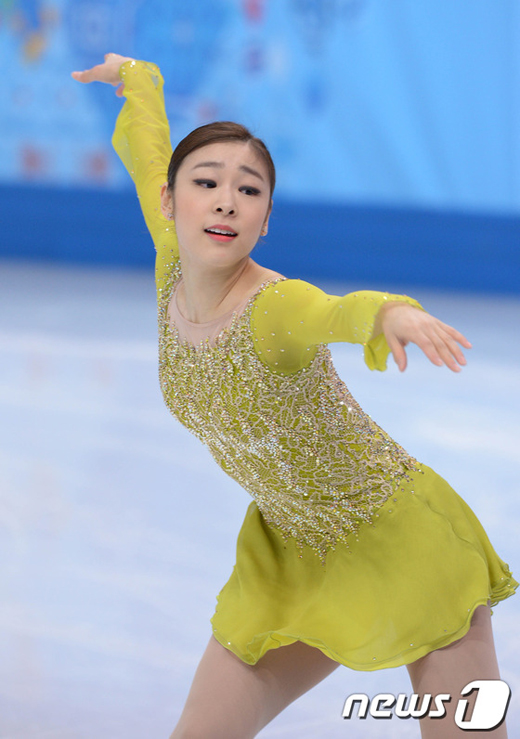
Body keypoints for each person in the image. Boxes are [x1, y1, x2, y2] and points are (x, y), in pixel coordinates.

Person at [72, 54, 517, 738]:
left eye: (248, 191)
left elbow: (337, 311)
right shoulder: (171, 262)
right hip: (291, 554)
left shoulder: (274, 308)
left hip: (406, 544)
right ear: (170, 201)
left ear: (266, 219)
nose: (226, 199)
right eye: (207, 182)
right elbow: (147, 150)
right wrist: (139, 80)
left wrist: (390, 314)